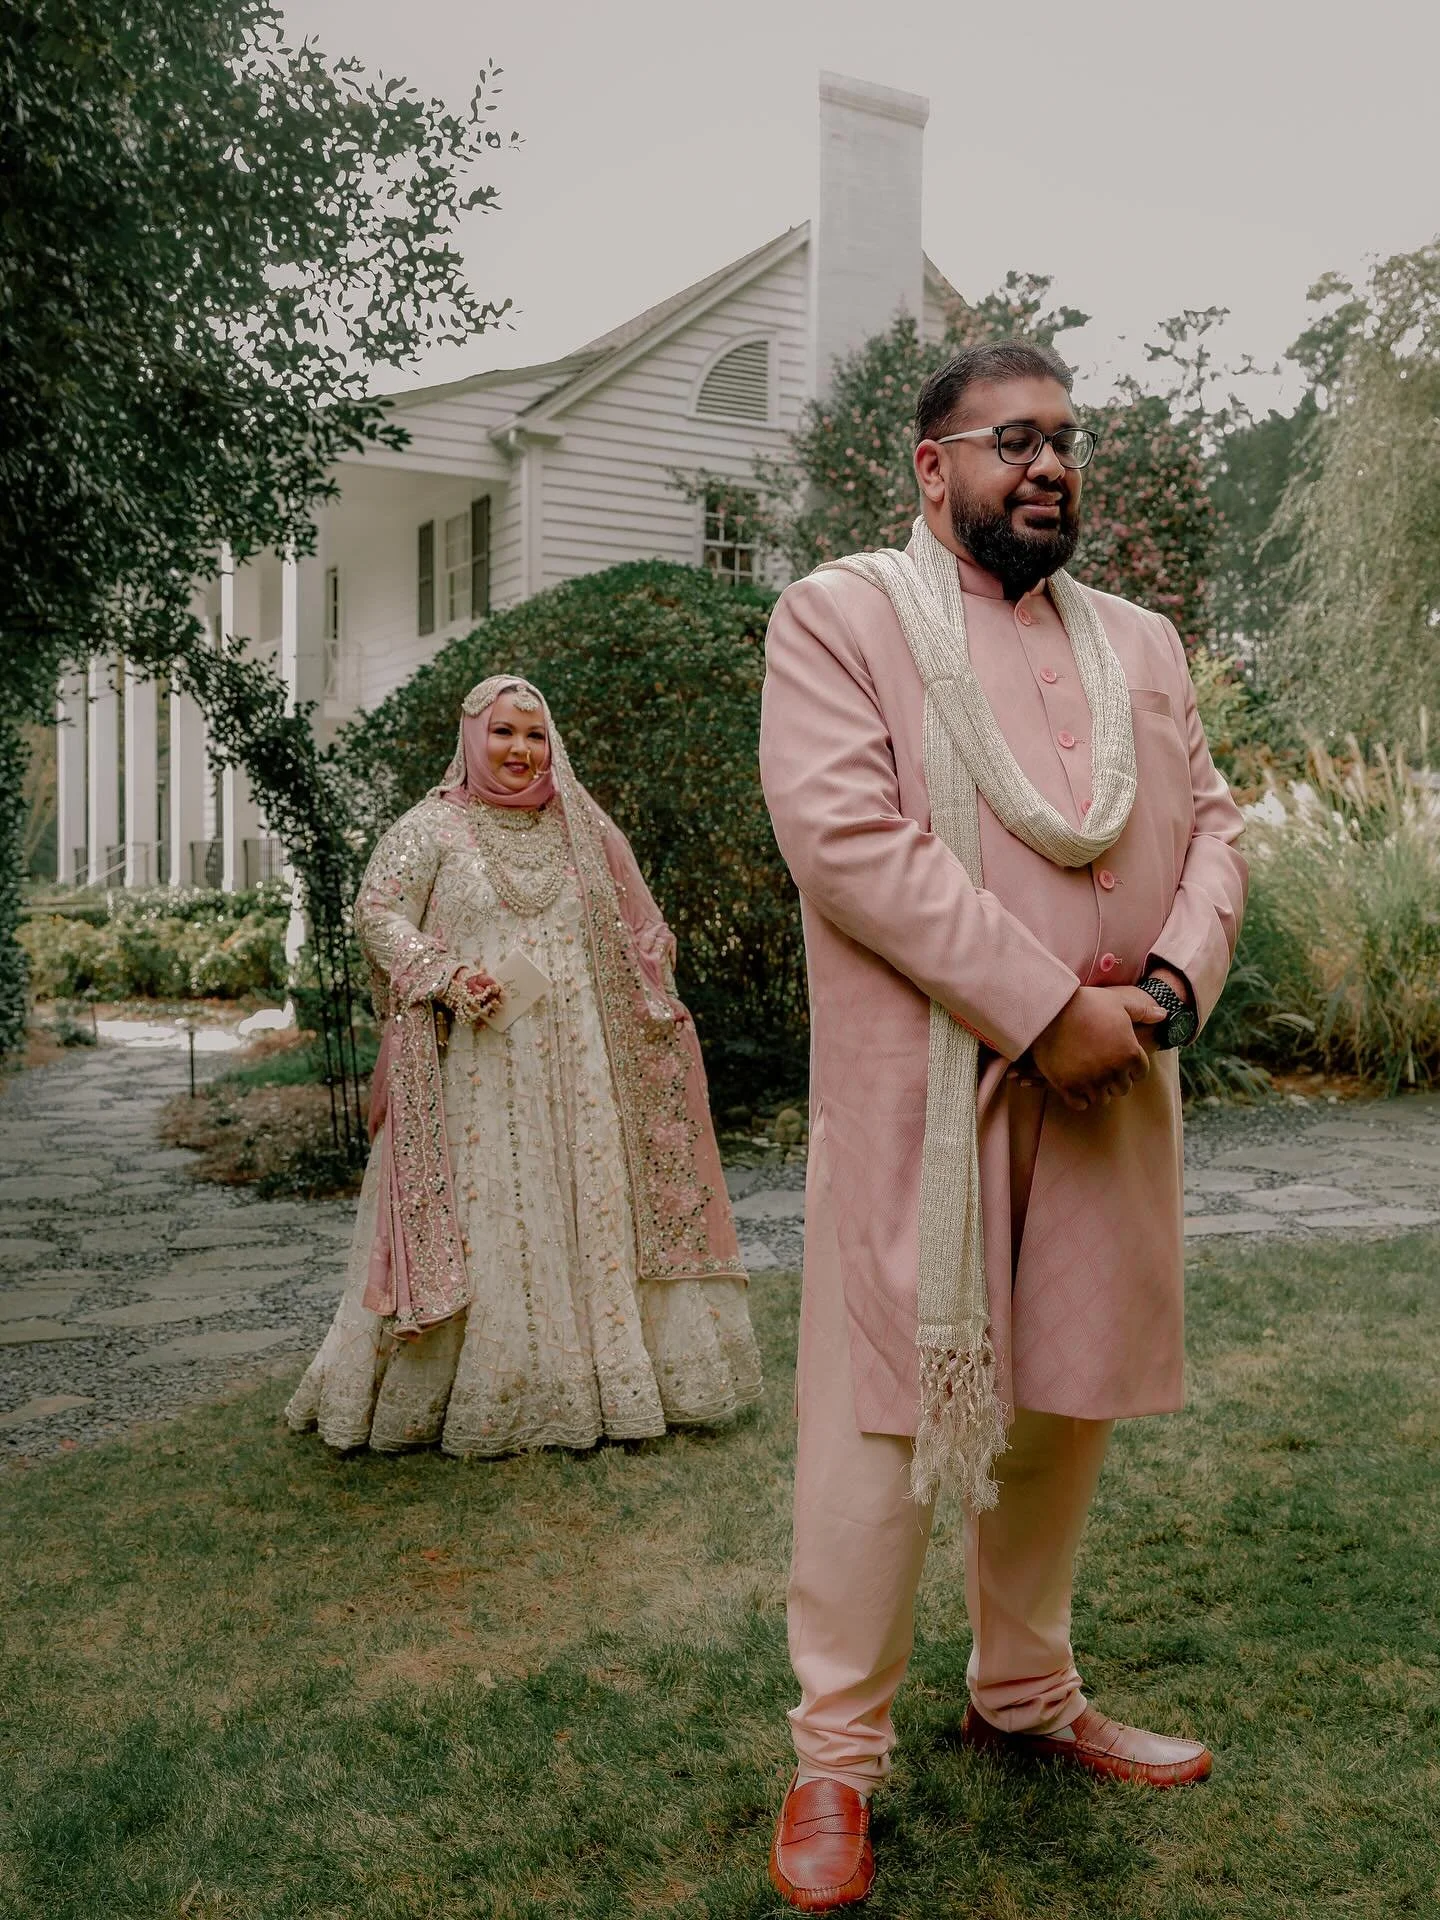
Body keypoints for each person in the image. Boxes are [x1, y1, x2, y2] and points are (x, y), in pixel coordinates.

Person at [758, 340, 1247, 1909]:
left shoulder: (1140, 641)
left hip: (1116, 1083)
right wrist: (1047, 1009)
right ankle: (835, 1760)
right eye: (1013, 440)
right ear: (932, 466)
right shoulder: (841, 616)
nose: (1048, 466)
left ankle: (1025, 1690)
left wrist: (1165, 986)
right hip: (930, 1094)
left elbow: (1215, 824)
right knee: (886, 1416)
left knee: (1067, 1395)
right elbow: (847, 840)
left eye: (1065, 440)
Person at [287, 675, 762, 1458]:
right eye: (504, 733)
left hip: (584, 1070)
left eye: (535, 735)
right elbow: (377, 913)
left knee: (591, 1211)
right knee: (498, 1213)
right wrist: (444, 975)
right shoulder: (432, 828)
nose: (520, 750)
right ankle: (484, 1390)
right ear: (474, 738)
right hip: (475, 1070)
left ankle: (607, 1384)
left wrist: (649, 976)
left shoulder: (581, 826)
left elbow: (639, 925)